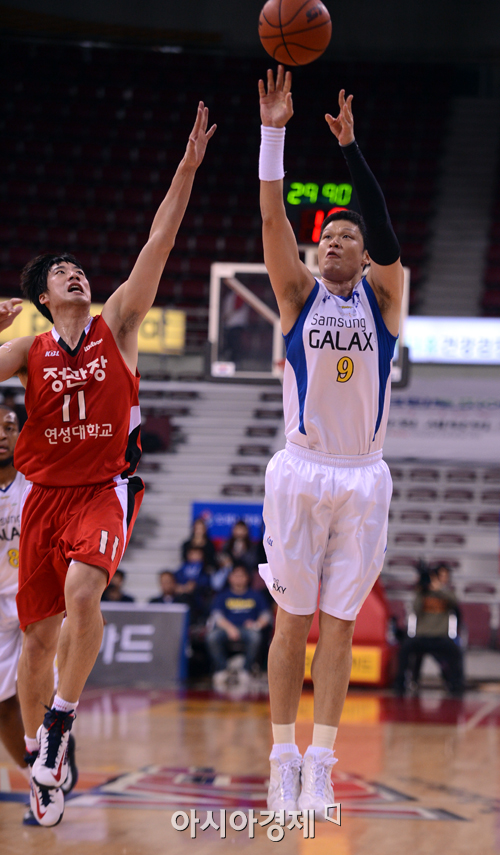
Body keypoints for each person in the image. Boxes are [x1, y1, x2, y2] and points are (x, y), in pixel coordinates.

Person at [0, 101, 215, 827]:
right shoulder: (25, 351)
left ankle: (61, 717)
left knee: (84, 597)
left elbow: (159, 240)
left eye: (78, 266)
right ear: (40, 297)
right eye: (60, 271)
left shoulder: (116, 323)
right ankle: (41, 761)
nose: (75, 272)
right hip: (41, 497)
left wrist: (186, 168)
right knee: (36, 639)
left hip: (103, 488)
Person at [257, 66, 404, 817]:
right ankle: (282, 755)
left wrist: (352, 153)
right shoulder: (295, 294)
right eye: (331, 237)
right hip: (301, 468)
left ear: (364, 253)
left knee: (340, 628)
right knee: (292, 619)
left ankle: (321, 760)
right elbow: (275, 217)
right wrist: (274, 134)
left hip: (364, 475)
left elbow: (387, 232)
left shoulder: (385, 299)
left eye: (349, 237)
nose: (338, 242)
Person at [394, 566, 464, 696]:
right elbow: (415, 609)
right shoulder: (422, 593)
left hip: (440, 638)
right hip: (422, 637)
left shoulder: (446, 593)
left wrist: (439, 590)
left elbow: (455, 602)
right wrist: (420, 590)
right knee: (404, 648)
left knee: (456, 652)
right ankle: (400, 683)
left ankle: (456, 685)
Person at [206, 564, 272, 691]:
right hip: (226, 629)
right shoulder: (222, 596)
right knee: (211, 637)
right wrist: (230, 628)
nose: (238, 578)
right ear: (230, 578)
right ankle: (222, 669)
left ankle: (245, 670)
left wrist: (256, 625)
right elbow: (217, 616)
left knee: (255, 636)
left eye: (242, 575)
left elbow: (266, 615)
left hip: (248, 630)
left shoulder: (256, 595)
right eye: (235, 575)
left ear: (247, 578)